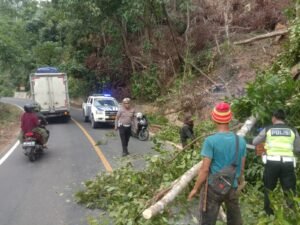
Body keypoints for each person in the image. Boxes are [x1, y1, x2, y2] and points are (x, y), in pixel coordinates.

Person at [188, 102, 246, 225]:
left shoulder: (210, 141)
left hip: (213, 188)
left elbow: (204, 170)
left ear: (214, 119)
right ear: (230, 119)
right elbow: (241, 169)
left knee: (207, 221)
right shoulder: (240, 141)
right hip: (232, 186)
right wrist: (238, 182)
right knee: (235, 221)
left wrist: (195, 188)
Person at [252, 109, 300, 215]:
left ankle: (269, 215)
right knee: (290, 191)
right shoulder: (292, 130)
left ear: (274, 118)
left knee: (269, 189)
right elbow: (298, 149)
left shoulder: (268, 129)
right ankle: (292, 214)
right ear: (284, 118)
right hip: (288, 163)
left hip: (272, 162)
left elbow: (255, 142)